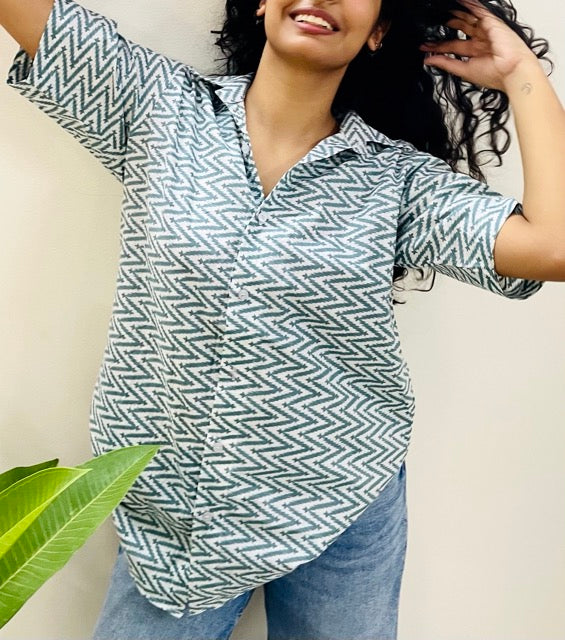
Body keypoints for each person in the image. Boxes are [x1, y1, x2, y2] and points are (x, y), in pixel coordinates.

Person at [2, 0, 564, 637]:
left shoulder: (399, 183)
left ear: (379, 31)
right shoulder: (157, 106)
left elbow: (554, 245)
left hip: (341, 492)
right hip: (175, 506)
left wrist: (523, 74)